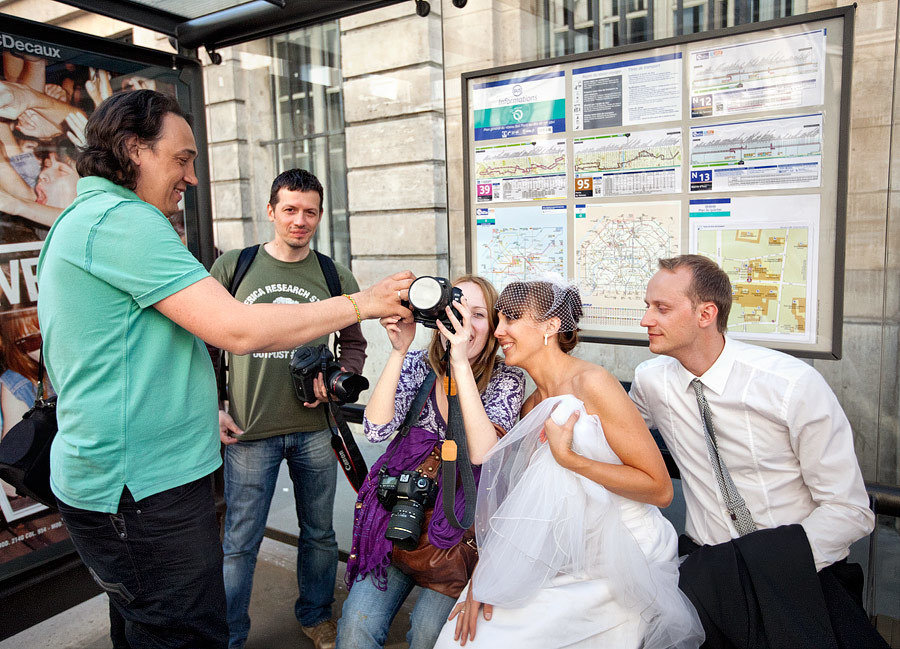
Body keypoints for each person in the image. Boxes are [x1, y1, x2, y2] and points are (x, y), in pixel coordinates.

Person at [36, 89, 414, 649]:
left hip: (134, 483)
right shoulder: (123, 221)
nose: (191, 177)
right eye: (182, 159)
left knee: (146, 629)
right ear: (134, 149)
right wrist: (366, 302)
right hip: (142, 494)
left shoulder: (85, 218)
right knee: (188, 633)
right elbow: (235, 330)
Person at [629, 255, 886, 649]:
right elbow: (612, 435)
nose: (645, 320)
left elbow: (850, 511)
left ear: (706, 314)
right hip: (706, 570)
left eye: (661, 308)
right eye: (647, 306)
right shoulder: (650, 381)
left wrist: (761, 563)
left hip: (797, 574)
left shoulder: (792, 385)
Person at [434, 278, 703, 649]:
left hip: (622, 558)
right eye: (498, 319)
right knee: (461, 637)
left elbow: (660, 490)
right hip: (562, 548)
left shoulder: (593, 383)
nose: (498, 331)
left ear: (551, 325)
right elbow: (520, 503)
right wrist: (484, 575)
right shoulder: (531, 406)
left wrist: (570, 459)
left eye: (511, 318)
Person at [211, 168, 367, 649]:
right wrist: (212, 406)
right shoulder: (234, 267)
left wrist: (339, 382)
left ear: (320, 215)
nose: (300, 220)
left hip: (315, 429)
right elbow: (204, 345)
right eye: (290, 210)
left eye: (310, 212)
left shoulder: (334, 275)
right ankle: (230, 635)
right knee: (239, 543)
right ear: (271, 211)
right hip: (247, 431)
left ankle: (316, 617)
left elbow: (354, 342)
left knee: (319, 534)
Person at [337, 275, 525, 649]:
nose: (464, 323)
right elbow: (375, 429)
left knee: (427, 633)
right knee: (356, 627)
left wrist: (459, 363)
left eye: (478, 315)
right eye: (456, 311)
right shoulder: (419, 366)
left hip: (454, 540)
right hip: (397, 524)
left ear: (493, 327)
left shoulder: (507, 378)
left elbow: (483, 453)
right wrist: (398, 351)